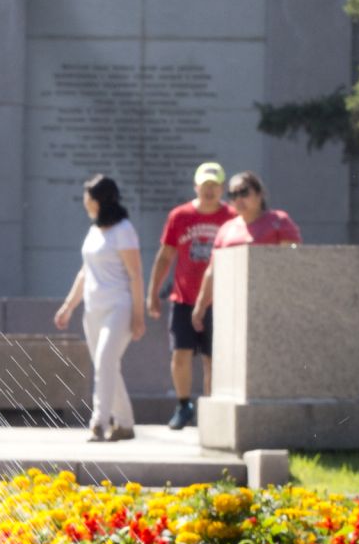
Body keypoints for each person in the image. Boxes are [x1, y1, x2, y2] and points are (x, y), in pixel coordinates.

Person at [55, 175, 147, 442]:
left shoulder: (124, 230)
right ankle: (126, 423)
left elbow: (135, 274)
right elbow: (85, 272)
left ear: (99, 199)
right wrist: (69, 306)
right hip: (93, 309)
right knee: (105, 366)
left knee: (106, 361)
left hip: (119, 306)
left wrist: (138, 316)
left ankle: (99, 422)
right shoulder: (94, 230)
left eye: (88, 196)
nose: (85, 202)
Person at [148, 161, 234, 430]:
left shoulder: (231, 218)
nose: (209, 191)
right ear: (196, 186)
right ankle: (184, 405)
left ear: (222, 188)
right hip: (184, 297)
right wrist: (152, 293)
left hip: (219, 300)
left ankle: (211, 411)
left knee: (213, 358)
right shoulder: (180, 216)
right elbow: (165, 256)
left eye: (215, 186)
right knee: (181, 355)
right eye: (205, 186)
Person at [193, 171, 302, 334]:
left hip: (270, 304)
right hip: (232, 304)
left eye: (244, 192)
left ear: (259, 194)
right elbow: (212, 271)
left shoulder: (279, 221)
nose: (238, 199)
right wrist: (201, 306)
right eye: (233, 194)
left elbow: (292, 261)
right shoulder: (226, 229)